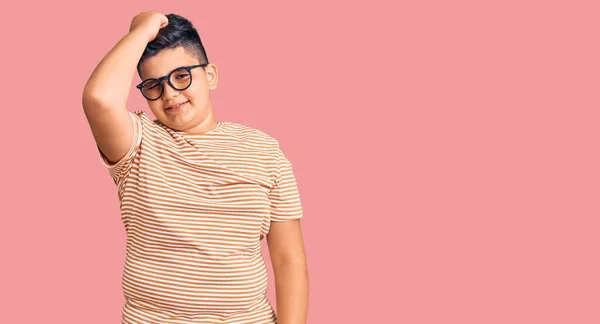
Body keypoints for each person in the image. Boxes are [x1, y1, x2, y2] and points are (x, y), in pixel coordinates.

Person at [82, 12, 308, 324]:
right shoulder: (137, 143)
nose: (170, 94)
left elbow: (288, 261)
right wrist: (143, 30)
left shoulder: (264, 150)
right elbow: (99, 99)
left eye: (181, 76)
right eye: (153, 85)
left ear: (211, 75)